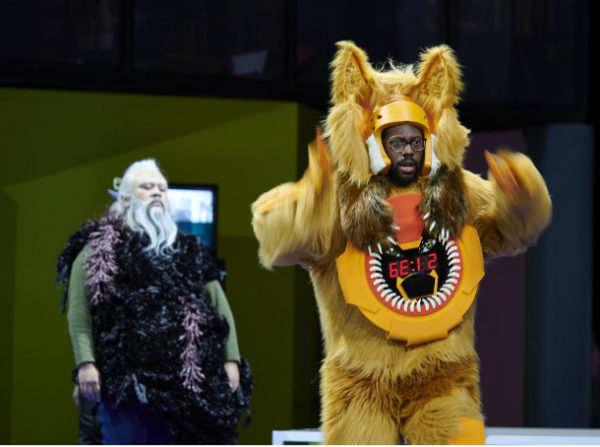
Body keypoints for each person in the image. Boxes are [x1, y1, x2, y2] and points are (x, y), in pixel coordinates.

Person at [252, 41, 551, 444]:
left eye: (415, 141)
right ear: (375, 145)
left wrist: (522, 197)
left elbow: (514, 233)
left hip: (444, 377)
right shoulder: (341, 198)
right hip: (361, 383)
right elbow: (275, 236)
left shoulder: (458, 192)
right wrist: (311, 196)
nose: (408, 151)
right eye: (397, 142)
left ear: (428, 142)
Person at [57, 159, 253, 444]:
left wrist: (231, 360)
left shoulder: (190, 250)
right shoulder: (98, 250)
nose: (157, 193)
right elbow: (79, 311)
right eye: (146, 187)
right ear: (124, 198)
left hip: (188, 386)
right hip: (127, 385)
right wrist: (86, 364)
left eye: (162, 187)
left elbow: (219, 307)